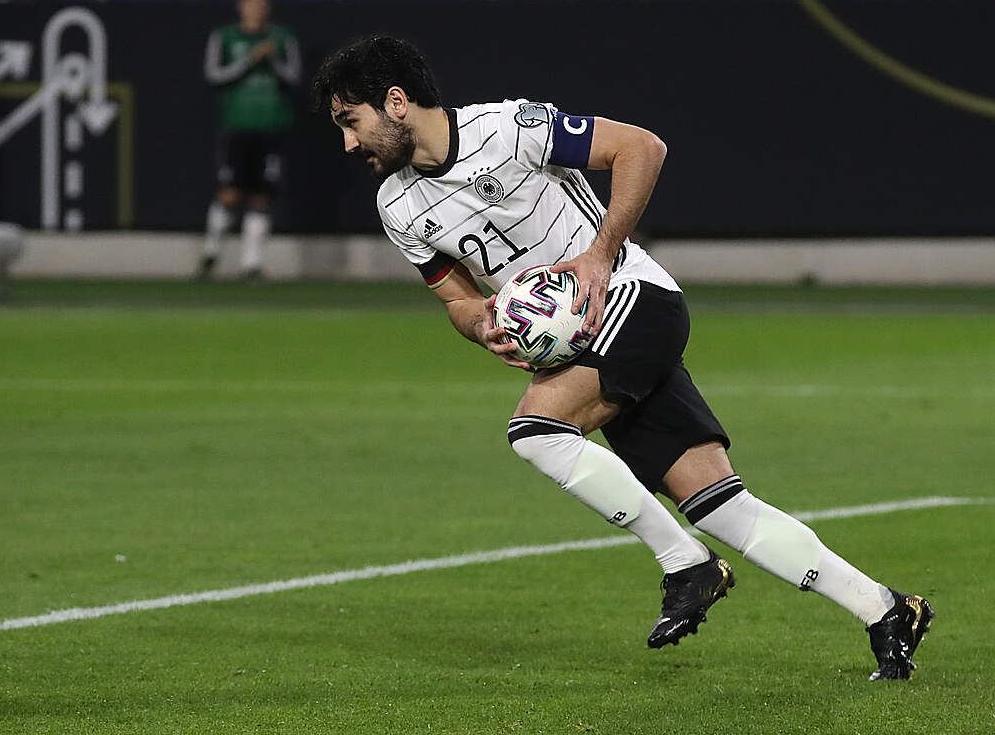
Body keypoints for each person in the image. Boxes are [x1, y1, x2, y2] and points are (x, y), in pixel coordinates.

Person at [312, 36, 933, 680]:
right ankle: (886, 610)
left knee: (536, 432)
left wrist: (601, 251)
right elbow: (456, 299)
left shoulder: (507, 127)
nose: (349, 144)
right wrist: (482, 323)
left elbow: (640, 147)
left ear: (396, 102)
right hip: (582, 340)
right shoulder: (397, 204)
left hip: (635, 300)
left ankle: (686, 565)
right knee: (719, 504)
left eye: (350, 122)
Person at [197, 0, 300, 280]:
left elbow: (294, 77)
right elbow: (213, 75)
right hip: (238, 126)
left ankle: (251, 263)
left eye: (263, 2)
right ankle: (211, 252)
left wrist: (273, 60)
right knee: (229, 193)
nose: (258, 7)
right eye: (253, 1)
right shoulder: (225, 37)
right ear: (241, 4)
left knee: (262, 195)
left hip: (271, 126)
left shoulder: (282, 38)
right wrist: (249, 60)